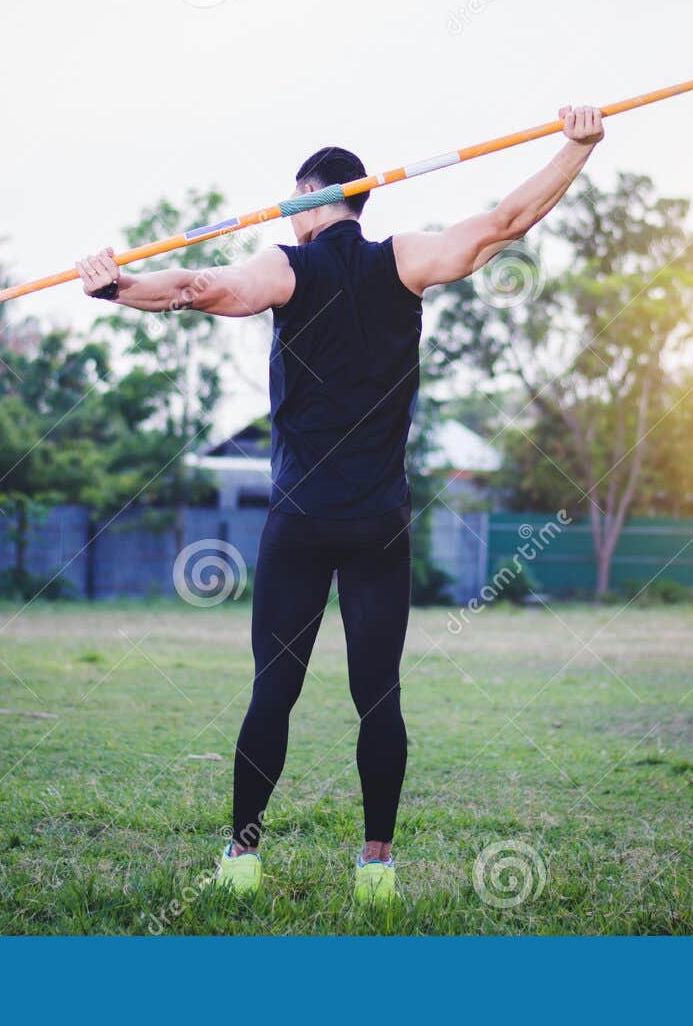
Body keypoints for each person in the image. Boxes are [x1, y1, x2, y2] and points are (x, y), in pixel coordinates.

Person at [75, 105, 605, 905]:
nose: (291, 212)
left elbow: (200, 288)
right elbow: (504, 222)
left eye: (295, 201)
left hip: (301, 518)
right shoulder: (408, 260)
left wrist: (118, 288)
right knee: (378, 696)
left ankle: (243, 855)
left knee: (272, 691)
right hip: (378, 522)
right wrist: (578, 148)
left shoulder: (288, 264)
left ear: (316, 199)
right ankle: (376, 867)